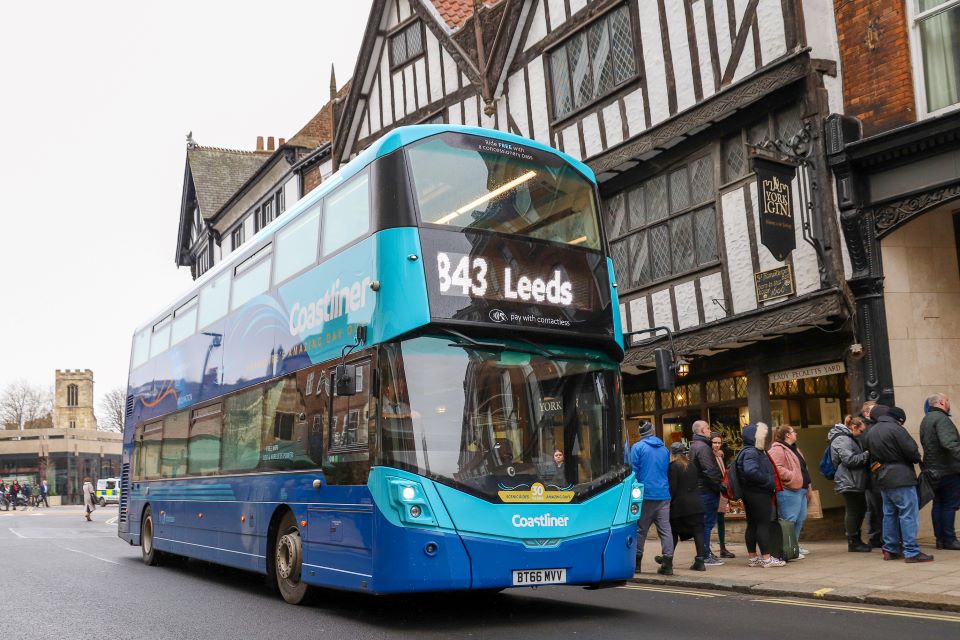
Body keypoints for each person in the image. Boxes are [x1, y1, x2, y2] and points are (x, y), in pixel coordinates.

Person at [863, 406, 932, 562]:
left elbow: (867, 452)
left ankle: (890, 549)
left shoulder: (870, 431)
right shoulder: (896, 429)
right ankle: (911, 551)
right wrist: (915, 458)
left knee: (889, 514)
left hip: (882, 478)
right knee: (908, 514)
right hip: (901, 476)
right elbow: (912, 452)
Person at [629, 421, 673, 574]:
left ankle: (637, 564)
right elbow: (665, 469)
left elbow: (633, 472)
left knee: (641, 529)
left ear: (641, 433)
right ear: (653, 431)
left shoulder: (637, 448)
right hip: (663, 494)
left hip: (644, 495)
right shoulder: (665, 449)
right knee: (666, 530)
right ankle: (668, 564)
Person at [739, 422, 784, 567]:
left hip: (751, 493)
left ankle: (753, 558)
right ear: (755, 437)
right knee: (763, 524)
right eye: (762, 436)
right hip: (758, 493)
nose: (764, 438)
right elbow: (751, 471)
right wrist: (769, 481)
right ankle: (767, 558)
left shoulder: (748, 451)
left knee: (752, 525)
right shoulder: (752, 452)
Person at [919, 393, 960, 550]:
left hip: (932, 470)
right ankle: (949, 539)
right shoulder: (942, 419)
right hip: (947, 470)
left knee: (938, 504)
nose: (948, 403)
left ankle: (940, 540)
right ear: (942, 402)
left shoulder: (926, 419)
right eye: (948, 400)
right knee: (949, 504)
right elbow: (949, 443)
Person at [829, 416, 872, 552]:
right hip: (848, 480)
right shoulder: (843, 439)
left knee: (859, 508)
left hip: (852, 479)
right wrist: (867, 454)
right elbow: (849, 460)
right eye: (860, 431)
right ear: (853, 427)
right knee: (853, 510)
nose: (861, 434)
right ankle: (853, 541)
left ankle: (856, 539)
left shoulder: (848, 438)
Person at [663, 442, 707, 571]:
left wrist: (669, 502)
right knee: (698, 531)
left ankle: (667, 558)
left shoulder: (673, 467)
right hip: (697, 504)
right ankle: (700, 561)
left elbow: (673, 488)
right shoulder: (692, 465)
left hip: (681, 506)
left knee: (673, 532)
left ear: (672, 453)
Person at [769, 425, 812, 557]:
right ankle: (786, 548)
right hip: (788, 490)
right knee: (789, 521)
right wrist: (792, 476)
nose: (796, 434)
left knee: (800, 519)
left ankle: (794, 546)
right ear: (787, 435)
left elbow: (804, 468)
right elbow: (776, 468)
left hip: (801, 490)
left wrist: (809, 486)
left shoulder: (795, 448)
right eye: (793, 432)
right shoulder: (777, 449)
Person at [688, 420, 724, 566]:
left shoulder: (695, 445)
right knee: (707, 524)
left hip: (700, 490)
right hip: (707, 491)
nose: (710, 431)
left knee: (704, 524)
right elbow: (709, 470)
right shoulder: (703, 447)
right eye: (708, 428)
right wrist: (720, 486)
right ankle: (705, 555)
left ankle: (704, 553)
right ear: (702, 430)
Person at [861, 400, 884, 547]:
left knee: (874, 508)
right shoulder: (867, 429)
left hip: (871, 474)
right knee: (877, 508)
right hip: (872, 474)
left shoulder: (869, 427)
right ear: (866, 413)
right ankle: (877, 538)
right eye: (872, 410)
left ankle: (875, 538)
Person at [711, 433, 736, 558]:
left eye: (718, 442)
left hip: (721, 491)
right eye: (714, 442)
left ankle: (722, 548)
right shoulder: (709, 456)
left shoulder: (720, 456)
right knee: (709, 521)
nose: (716, 445)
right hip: (712, 491)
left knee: (720, 519)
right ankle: (707, 549)